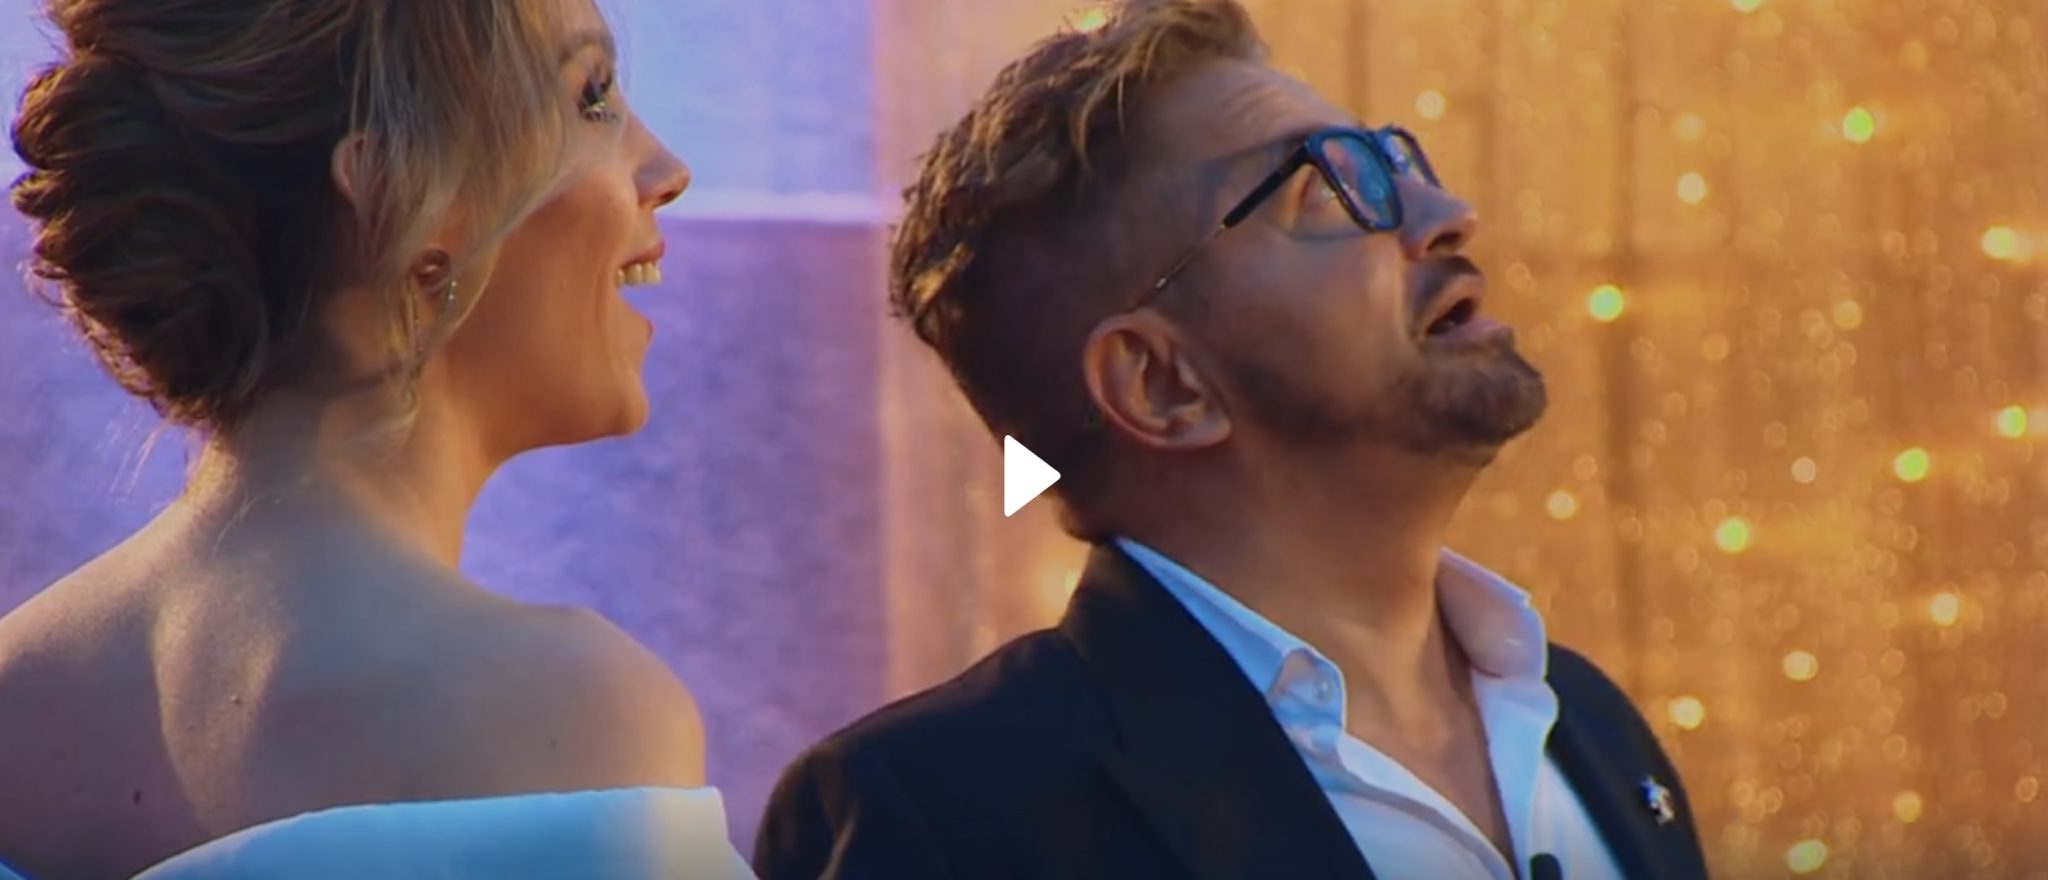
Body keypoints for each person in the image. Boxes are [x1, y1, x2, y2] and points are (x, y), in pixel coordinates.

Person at [754, 1, 1710, 878]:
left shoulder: (1587, 726)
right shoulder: (944, 819)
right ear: (1162, 384)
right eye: (1326, 187)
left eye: (1392, 162)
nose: (1448, 216)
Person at [0, 0, 750, 877]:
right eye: (594, 98)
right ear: (412, 202)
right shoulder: (570, 714)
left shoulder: (19, 697)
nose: (667, 168)